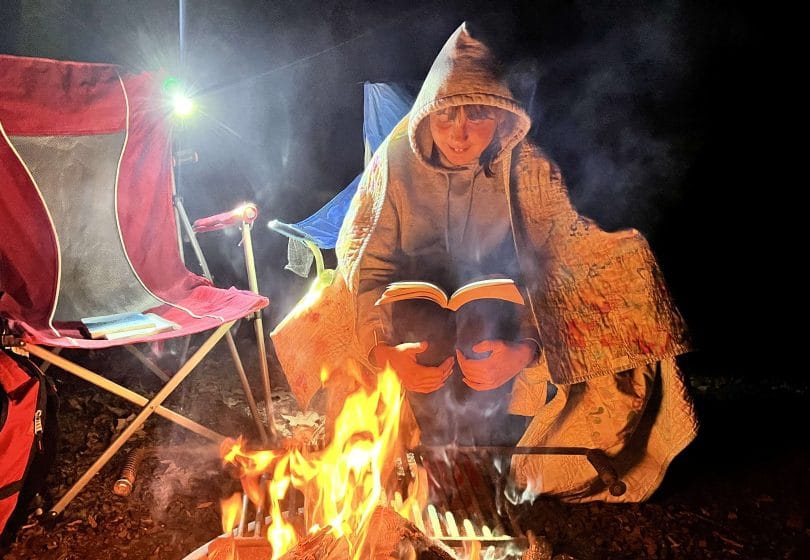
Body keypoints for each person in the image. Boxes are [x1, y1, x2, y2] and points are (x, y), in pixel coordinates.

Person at [271, 23, 698, 502]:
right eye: (446, 117)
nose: (460, 133)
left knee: (486, 336)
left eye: (477, 117)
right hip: (414, 293)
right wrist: (380, 351)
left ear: (502, 116)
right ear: (428, 114)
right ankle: (423, 458)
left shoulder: (527, 166)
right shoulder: (396, 162)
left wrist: (528, 347)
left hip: (500, 295)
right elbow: (365, 264)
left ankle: (485, 460)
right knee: (414, 335)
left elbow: (559, 259)